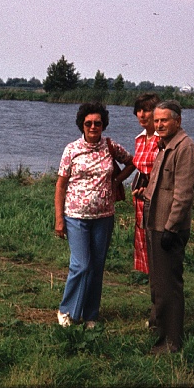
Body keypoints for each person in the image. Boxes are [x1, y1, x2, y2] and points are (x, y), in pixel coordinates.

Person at [54, 102, 134, 328]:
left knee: (97, 266)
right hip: (76, 217)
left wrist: (117, 180)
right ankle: (66, 310)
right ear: (82, 124)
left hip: (104, 217)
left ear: (103, 125)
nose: (93, 127)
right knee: (81, 265)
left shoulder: (109, 147)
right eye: (88, 123)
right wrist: (59, 219)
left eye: (97, 123)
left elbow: (131, 162)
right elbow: (60, 185)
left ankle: (90, 316)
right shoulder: (72, 150)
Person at [142, 100, 194, 354]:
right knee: (158, 283)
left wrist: (171, 227)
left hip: (168, 227)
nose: (159, 125)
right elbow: (161, 185)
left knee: (169, 287)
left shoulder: (185, 148)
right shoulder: (165, 145)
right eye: (156, 121)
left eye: (164, 120)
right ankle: (160, 327)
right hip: (155, 223)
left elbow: (183, 194)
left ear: (178, 121)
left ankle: (170, 343)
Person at [129, 93, 162, 278]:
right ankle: (151, 286)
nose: (142, 114)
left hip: (155, 198)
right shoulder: (140, 139)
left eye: (147, 110)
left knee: (156, 246)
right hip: (140, 199)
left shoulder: (161, 140)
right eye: (139, 110)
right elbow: (136, 165)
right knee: (144, 242)